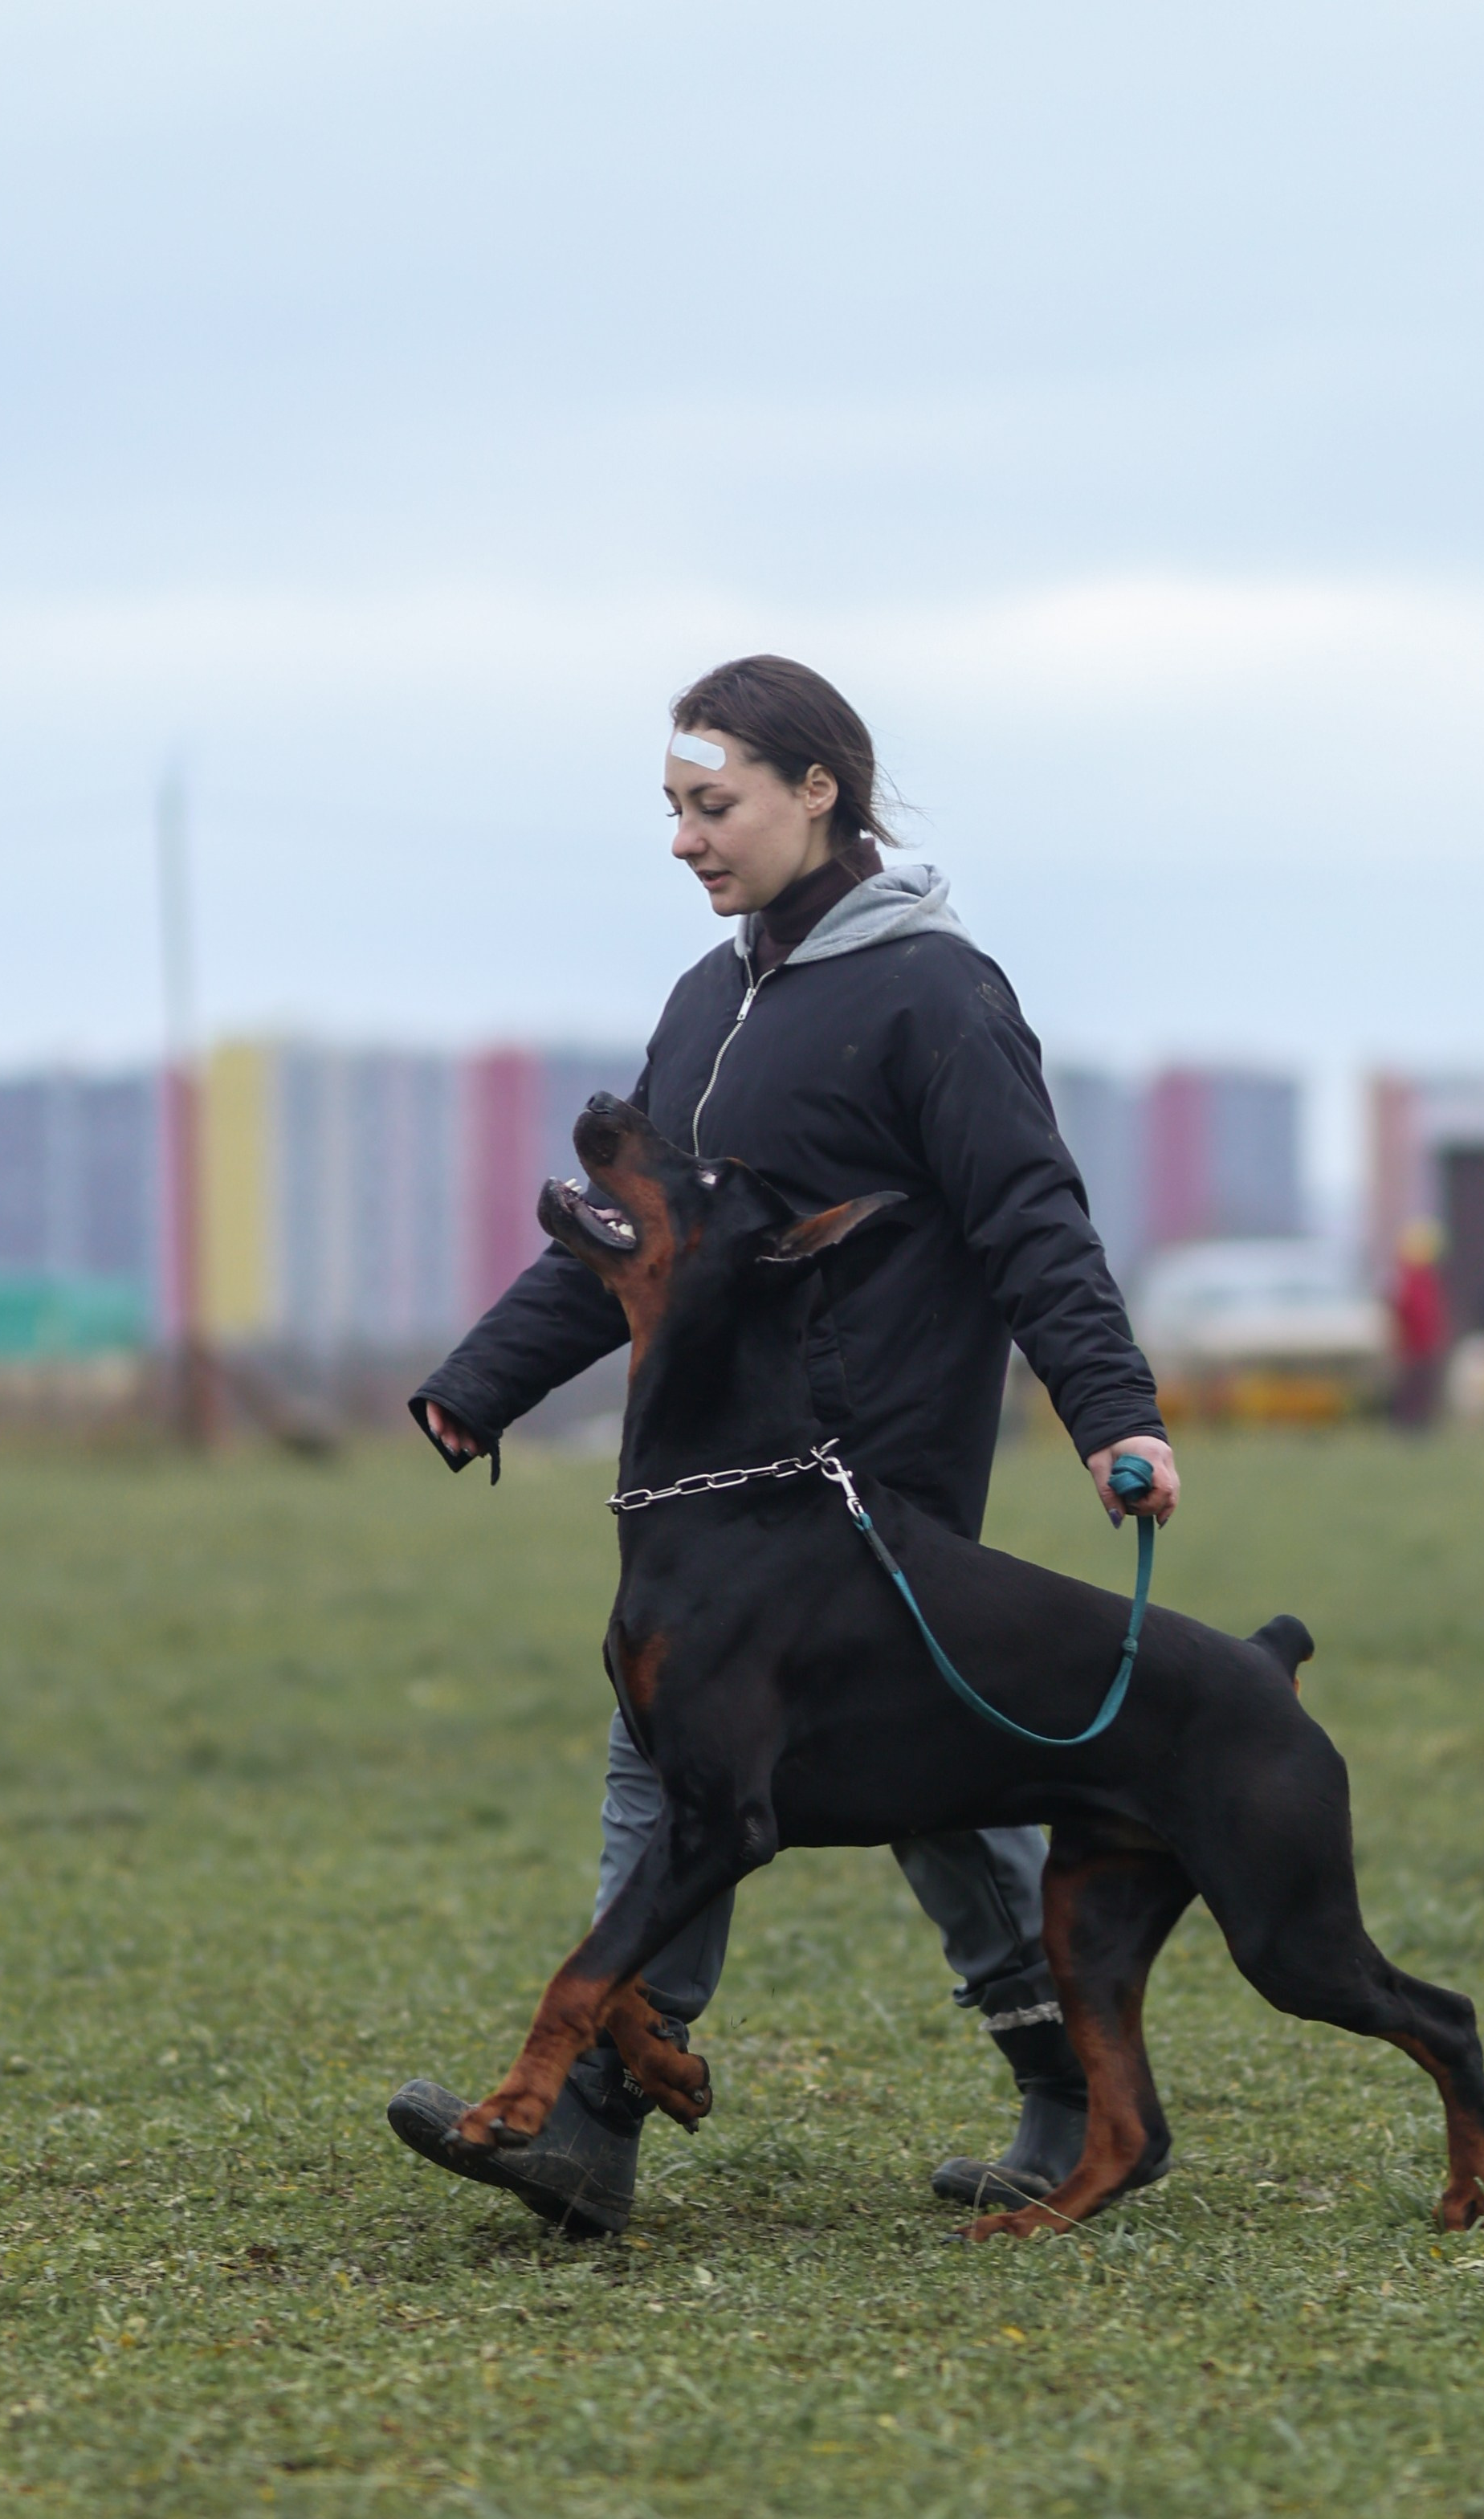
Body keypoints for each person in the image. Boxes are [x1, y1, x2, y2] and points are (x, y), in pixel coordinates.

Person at [394, 654, 1178, 2235]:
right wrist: (484, 1380)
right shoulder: (708, 1001)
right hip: (719, 1476)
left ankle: (597, 2111)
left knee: (677, 1753)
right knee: (938, 1790)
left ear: (819, 788)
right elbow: (634, 1241)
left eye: (715, 801)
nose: (686, 837)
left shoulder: (935, 993)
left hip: (863, 1479)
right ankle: (1083, 2089)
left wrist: (1113, 1410)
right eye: (674, 807)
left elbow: (1033, 1214)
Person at [1387, 1217, 1448, 1429]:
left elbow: (1433, 1311)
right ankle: (1405, 1424)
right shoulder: (1404, 1277)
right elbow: (1400, 1310)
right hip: (1411, 1344)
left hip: (1426, 1342)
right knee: (1410, 1386)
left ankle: (1421, 1423)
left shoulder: (1427, 1277)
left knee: (1424, 1386)